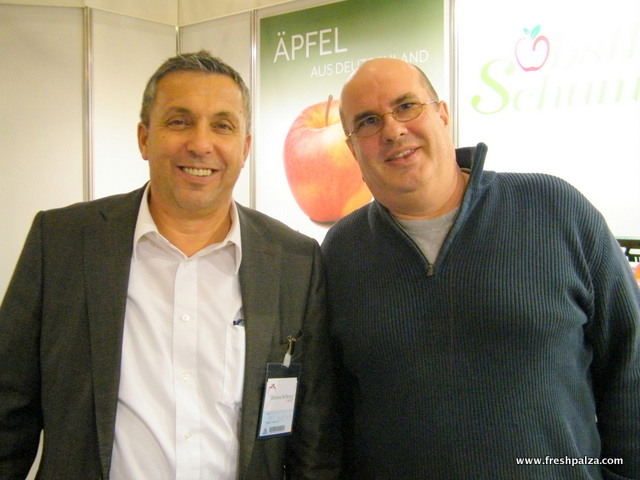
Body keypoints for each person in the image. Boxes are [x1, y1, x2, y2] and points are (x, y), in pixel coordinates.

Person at [0, 50, 340, 480]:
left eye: (223, 125)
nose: (201, 144)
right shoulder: (62, 243)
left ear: (245, 147)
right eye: (179, 121)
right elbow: (8, 412)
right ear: (144, 138)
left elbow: (314, 436)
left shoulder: (294, 261)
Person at [321, 57, 640, 480]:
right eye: (368, 121)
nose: (393, 130)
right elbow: (332, 409)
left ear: (443, 114)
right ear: (352, 149)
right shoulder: (341, 252)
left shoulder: (556, 210)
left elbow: (630, 366)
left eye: (406, 106)